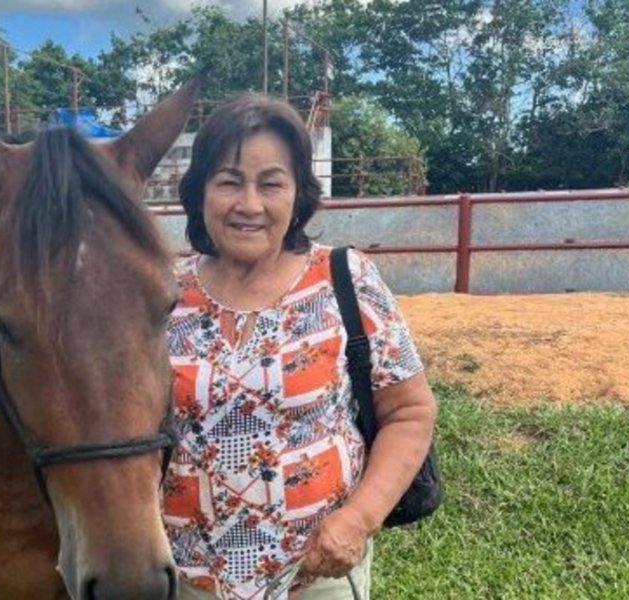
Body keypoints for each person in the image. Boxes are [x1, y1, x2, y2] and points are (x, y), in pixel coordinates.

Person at [163, 94, 437, 600]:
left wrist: (358, 519)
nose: (249, 204)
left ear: (297, 194)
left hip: (313, 576)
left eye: (271, 183)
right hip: (186, 578)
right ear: (200, 191)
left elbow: (410, 412)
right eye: (228, 181)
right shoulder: (164, 294)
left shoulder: (344, 278)